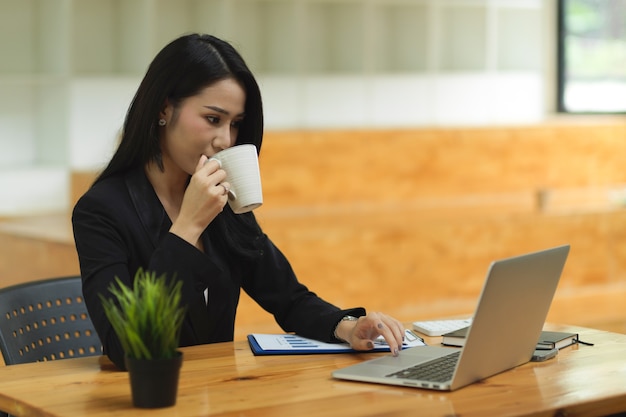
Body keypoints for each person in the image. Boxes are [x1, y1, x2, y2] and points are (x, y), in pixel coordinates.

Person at [72, 33, 404, 370]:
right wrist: (188, 226)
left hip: (220, 394)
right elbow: (125, 343)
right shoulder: (101, 211)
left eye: (236, 124)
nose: (225, 140)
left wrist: (346, 327)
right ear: (163, 108)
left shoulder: (224, 199)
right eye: (213, 119)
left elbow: (288, 298)